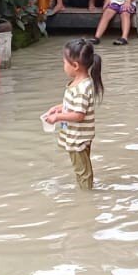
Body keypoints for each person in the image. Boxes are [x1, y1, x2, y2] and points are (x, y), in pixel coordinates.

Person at [42, 38, 104, 189]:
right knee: (83, 168)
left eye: (64, 62)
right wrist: (58, 108)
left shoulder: (82, 88)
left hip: (78, 138)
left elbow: (79, 115)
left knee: (83, 172)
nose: (63, 66)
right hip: (78, 136)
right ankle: (86, 189)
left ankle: (86, 197)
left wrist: (57, 117)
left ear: (75, 66)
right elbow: (72, 105)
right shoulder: (78, 84)